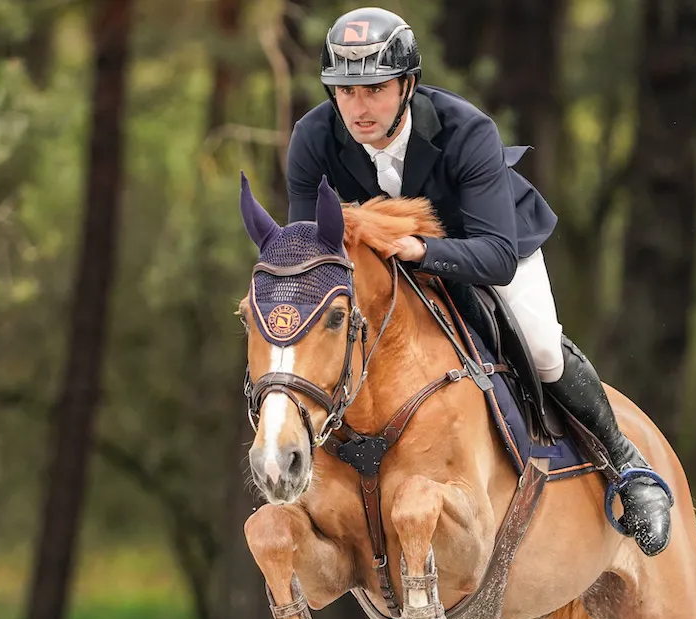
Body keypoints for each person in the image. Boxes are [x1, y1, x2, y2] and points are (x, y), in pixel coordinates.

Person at [284, 7, 674, 554]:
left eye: (373, 88)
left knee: (540, 349)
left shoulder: (466, 130)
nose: (358, 107)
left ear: (407, 84)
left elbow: (496, 257)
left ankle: (627, 466)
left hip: (484, 245)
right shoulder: (312, 138)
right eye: (345, 90)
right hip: (380, 267)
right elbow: (310, 249)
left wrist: (419, 250)